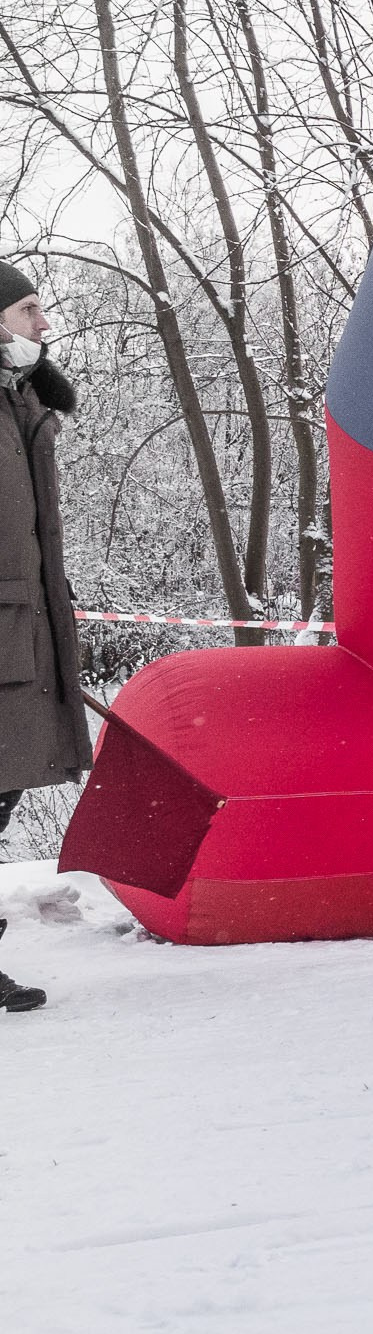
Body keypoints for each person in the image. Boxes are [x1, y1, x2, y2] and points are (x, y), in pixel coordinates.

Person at [2, 261, 80, 1014]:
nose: (44, 324)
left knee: (3, 792)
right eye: (30, 311)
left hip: (24, 629)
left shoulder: (23, 402)